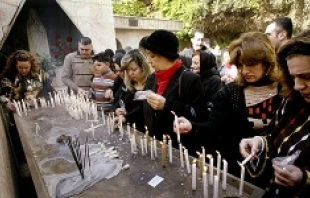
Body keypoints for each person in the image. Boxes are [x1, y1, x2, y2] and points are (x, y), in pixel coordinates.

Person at [175, 32, 282, 176]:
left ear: (267, 61)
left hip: (277, 173)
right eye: (240, 65)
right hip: (237, 172)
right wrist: (192, 127)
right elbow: (214, 127)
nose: (245, 71)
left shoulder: (286, 91)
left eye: (251, 64)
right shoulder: (231, 92)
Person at [239, 36, 310, 197]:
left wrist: (304, 178)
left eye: (307, 77)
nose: (298, 86)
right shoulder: (292, 102)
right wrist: (259, 142)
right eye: (293, 78)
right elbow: (272, 135)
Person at [141, 29, 207, 155]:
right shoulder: (152, 78)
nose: (149, 61)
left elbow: (199, 114)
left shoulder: (189, 79)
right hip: (154, 147)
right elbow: (144, 109)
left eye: (153, 56)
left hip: (178, 151)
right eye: (148, 55)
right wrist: (125, 115)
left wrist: (167, 105)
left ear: (166, 55)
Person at [115, 49, 152, 132]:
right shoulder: (127, 84)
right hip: (127, 128)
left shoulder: (151, 85)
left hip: (144, 130)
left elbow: (143, 108)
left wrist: (126, 117)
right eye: (128, 70)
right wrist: (117, 109)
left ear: (143, 67)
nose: (130, 73)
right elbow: (117, 99)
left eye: (134, 69)